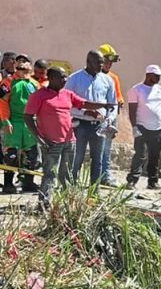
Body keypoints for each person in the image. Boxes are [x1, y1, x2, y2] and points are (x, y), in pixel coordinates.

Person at [24, 67, 113, 205]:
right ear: (51, 78)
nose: (65, 80)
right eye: (62, 77)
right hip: (50, 142)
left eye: (65, 77)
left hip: (69, 141)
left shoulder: (67, 94)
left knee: (66, 174)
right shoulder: (39, 95)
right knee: (50, 174)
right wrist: (39, 138)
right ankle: (44, 204)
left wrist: (104, 105)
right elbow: (28, 117)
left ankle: (65, 203)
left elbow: (83, 103)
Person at [64, 49, 116, 185]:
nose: (100, 66)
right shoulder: (74, 79)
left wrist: (109, 120)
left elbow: (113, 104)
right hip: (79, 124)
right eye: (97, 63)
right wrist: (85, 112)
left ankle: (94, 191)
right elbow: (66, 103)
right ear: (88, 62)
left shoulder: (107, 80)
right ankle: (70, 188)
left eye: (102, 63)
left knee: (97, 159)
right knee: (77, 158)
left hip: (100, 126)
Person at [126, 65, 161, 190]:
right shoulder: (136, 90)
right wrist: (134, 127)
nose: (158, 78)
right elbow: (132, 111)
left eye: (159, 76)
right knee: (140, 154)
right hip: (142, 127)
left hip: (158, 128)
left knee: (155, 156)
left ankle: (152, 181)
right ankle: (132, 180)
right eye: (156, 76)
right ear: (148, 75)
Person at [0, 55, 41, 193]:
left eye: (25, 61)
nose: (22, 63)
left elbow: (41, 104)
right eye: (19, 60)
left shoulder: (35, 84)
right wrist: (5, 121)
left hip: (30, 124)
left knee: (31, 155)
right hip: (13, 123)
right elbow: (2, 103)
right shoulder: (7, 82)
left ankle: (28, 183)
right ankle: (8, 184)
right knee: (10, 155)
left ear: (30, 66)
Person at [98, 44, 123, 187]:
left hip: (110, 117)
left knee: (106, 149)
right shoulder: (91, 76)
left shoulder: (113, 78)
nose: (109, 64)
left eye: (111, 62)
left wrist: (119, 103)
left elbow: (118, 98)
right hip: (96, 117)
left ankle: (105, 176)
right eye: (107, 61)